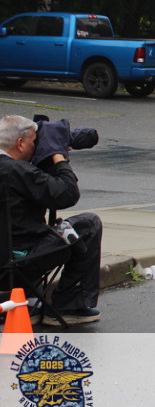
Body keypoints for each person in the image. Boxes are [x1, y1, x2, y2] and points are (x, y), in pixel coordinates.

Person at [0, 115, 103, 325]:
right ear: (20, 143)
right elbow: (67, 194)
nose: (36, 146)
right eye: (34, 141)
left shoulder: (15, 170)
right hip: (15, 265)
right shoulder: (17, 171)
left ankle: (27, 301)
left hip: (7, 259)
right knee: (88, 225)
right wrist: (57, 156)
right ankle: (69, 305)